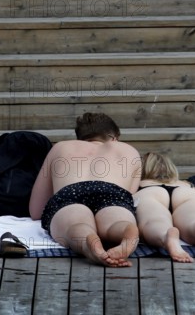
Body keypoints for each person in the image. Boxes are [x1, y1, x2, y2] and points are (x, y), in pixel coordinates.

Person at [29, 112, 142, 267]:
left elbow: (36, 210)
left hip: (70, 193)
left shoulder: (61, 147)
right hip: (111, 192)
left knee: (75, 225)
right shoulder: (129, 151)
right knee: (116, 218)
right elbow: (130, 196)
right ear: (115, 138)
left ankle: (87, 239)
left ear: (79, 138)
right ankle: (124, 230)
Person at [133, 152, 195, 263]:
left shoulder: (136, 184)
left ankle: (166, 235)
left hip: (148, 192)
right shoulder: (186, 184)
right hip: (186, 194)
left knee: (153, 221)